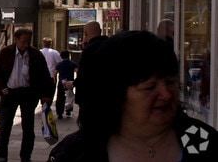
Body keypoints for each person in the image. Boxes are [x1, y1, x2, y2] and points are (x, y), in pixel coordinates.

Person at [47, 30, 218, 161]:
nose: (166, 95)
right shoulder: (76, 153)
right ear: (116, 93)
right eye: (150, 87)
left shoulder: (203, 141)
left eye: (171, 82)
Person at [0, 28, 55, 162]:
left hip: (28, 94)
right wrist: (2, 88)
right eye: (23, 42)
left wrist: (46, 95)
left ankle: (26, 156)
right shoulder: (5, 53)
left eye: (28, 42)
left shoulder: (36, 55)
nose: (26, 45)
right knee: (4, 127)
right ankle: (1, 156)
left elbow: (44, 77)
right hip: (9, 93)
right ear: (16, 39)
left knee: (28, 128)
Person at [73, 20, 108, 111]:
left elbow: (84, 74)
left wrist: (73, 84)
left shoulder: (89, 50)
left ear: (86, 33)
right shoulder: (109, 45)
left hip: (89, 97)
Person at [54, 50, 78, 119]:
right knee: (69, 96)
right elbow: (77, 71)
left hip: (62, 82)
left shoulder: (59, 64)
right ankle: (68, 110)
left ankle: (59, 112)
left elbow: (55, 73)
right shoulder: (73, 64)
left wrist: (55, 80)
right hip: (70, 82)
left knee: (60, 97)